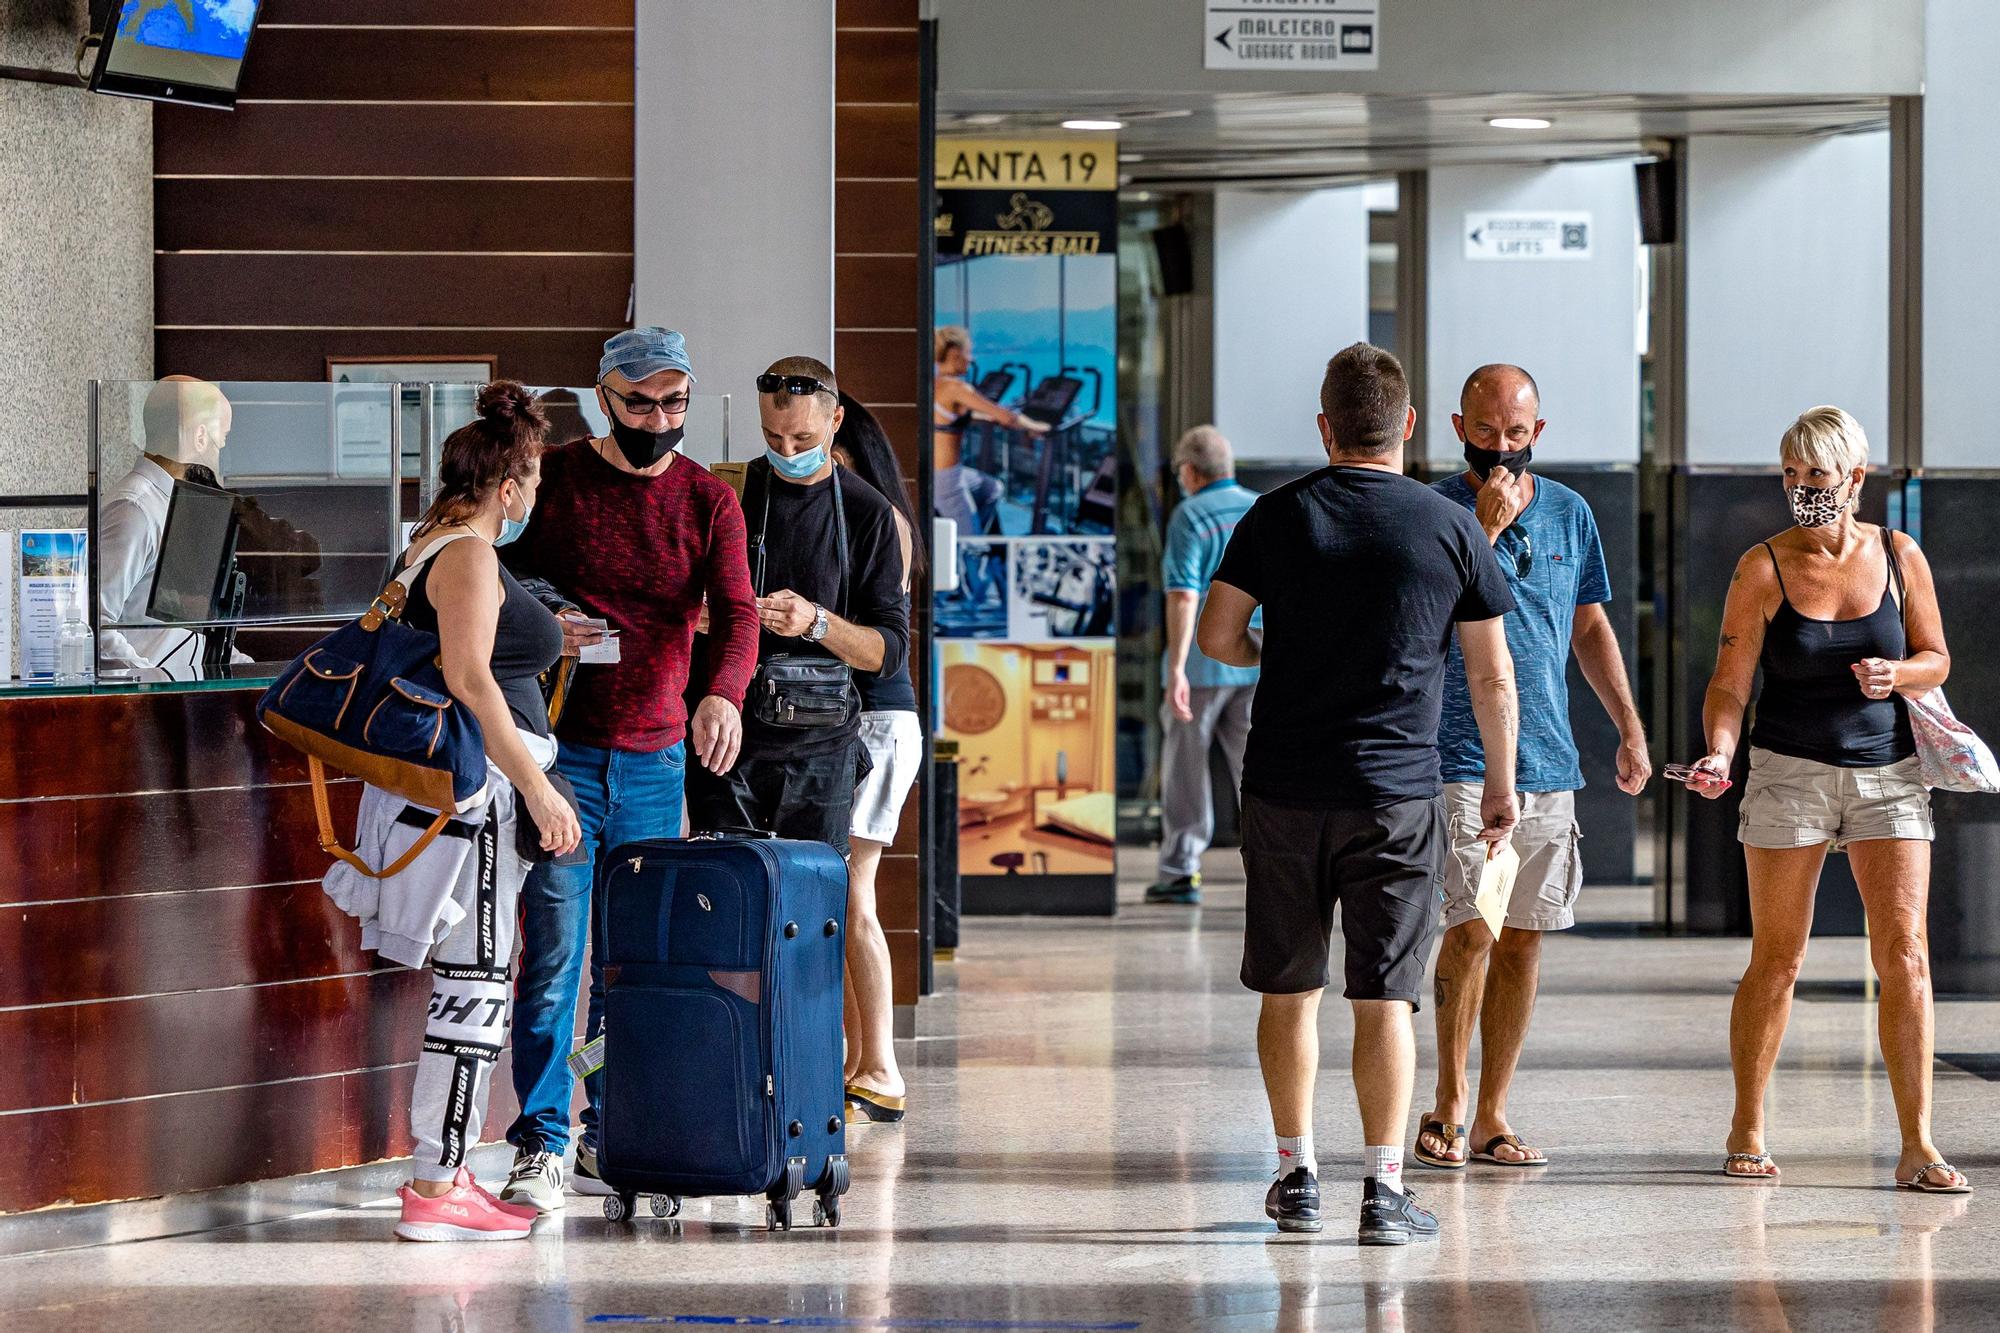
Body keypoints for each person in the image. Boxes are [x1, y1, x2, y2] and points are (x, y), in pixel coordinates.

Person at [1197, 342, 1520, 1245]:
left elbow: (1220, 636)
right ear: (1410, 426)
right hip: (1398, 795)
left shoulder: (1275, 516)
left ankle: (1296, 1174)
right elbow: (1492, 678)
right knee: (1387, 995)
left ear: (1325, 427)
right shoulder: (1451, 526)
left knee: (1289, 985)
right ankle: (1383, 1191)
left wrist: (1282, 654)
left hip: (1286, 788)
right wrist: (1500, 784)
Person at [494, 328, 760, 1211]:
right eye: (641, 401)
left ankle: (614, 1127)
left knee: (635, 967)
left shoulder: (709, 500)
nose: (660, 418)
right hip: (562, 757)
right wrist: (545, 614)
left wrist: (721, 693)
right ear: (602, 396)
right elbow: (490, 569)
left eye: (675, 402)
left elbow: (738, 611)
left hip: (655, 762)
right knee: (556, 959)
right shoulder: (559, 480)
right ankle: (541, 1135)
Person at [321, 382, 582, 1240]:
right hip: (476, 803)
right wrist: (540, 789)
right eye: (534, 484)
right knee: (473, 990)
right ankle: (440, 1185)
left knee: (473, 983)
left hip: (458, 801)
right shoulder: (467, 554)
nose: (535, 499)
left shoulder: (429, 541)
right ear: (508, 487)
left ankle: (446, 1172)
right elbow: (471, 681)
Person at [1689, 406, 1967, 1193]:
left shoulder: (1899, 554)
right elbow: (1729, 682)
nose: (1802, 488)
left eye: (1817, 474)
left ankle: (1918, 1142)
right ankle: (1747, 1122)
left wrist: (1898, 675)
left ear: (1854, 476)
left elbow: (1937, 657)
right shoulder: (1762, 566)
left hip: (1889, 772)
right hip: (1788, 770)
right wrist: (1719, 748)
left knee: (1905, 953)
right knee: (1778, 959)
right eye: (1791, 474)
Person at [1414, 365, 1652, 1172]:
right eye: (1486, 435)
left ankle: (1491, 1113)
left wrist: (1628, 724)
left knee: (1523, 939)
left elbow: (1588, 627)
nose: (1502, 450)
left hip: (1550, 758)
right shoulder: (1435, 511)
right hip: (1462, 758)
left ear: (1538, 434)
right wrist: (1480, 529)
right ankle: (1445, 1099)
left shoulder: (1573, 514)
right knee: (1471, 929)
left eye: (1517, 435)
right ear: (1458, 428)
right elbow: (1422, 614)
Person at [686, 357, 910, 869]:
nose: (787, 451)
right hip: (730, 738)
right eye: (773, 436)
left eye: (803, 440)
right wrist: (696, 614)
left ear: (835, 422)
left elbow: (889, 653)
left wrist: (816, 622)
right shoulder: (729, 492)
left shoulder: (868, 512)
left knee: (813, 908)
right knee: (726, 898)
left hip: (821, 747)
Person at [830, 391, 924, 1124]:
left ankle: (882, 1065)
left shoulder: (873, 515)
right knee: (847, 891)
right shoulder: (879, 512)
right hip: (877, 718)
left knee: (854, 891)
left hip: (876, 718)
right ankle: (863, 1063)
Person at [1149, 424, 1259, 907]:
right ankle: (1268, 865)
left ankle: (1180, 870)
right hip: (1258, 661)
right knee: (1254, 770)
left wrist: (1176, 667)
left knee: (1185, 770)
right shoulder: (1261, 508)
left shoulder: (1190, 515)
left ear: (1189, 472)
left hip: (1201, 665)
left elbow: (1182, 594)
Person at [97, 376, 232, 672]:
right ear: (199, 438)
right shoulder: (134, 509)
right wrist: (157, 685)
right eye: (221, 441)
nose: (221, 454)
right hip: (147, 705)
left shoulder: (168, 504)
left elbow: (174, 630)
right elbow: (96, 626)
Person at [933, 325, 1047, 535]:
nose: (972, 359)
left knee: (992, 489)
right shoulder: (956, 388)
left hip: (946, 474)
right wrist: (1038, 427)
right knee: (971, 545)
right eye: (968, 352)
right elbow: (1007, 415)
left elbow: (950, 419)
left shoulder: (935, 385)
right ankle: (971, 542)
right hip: (947, 481)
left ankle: (973, 525)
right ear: (955, 354)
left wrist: (989, 419)